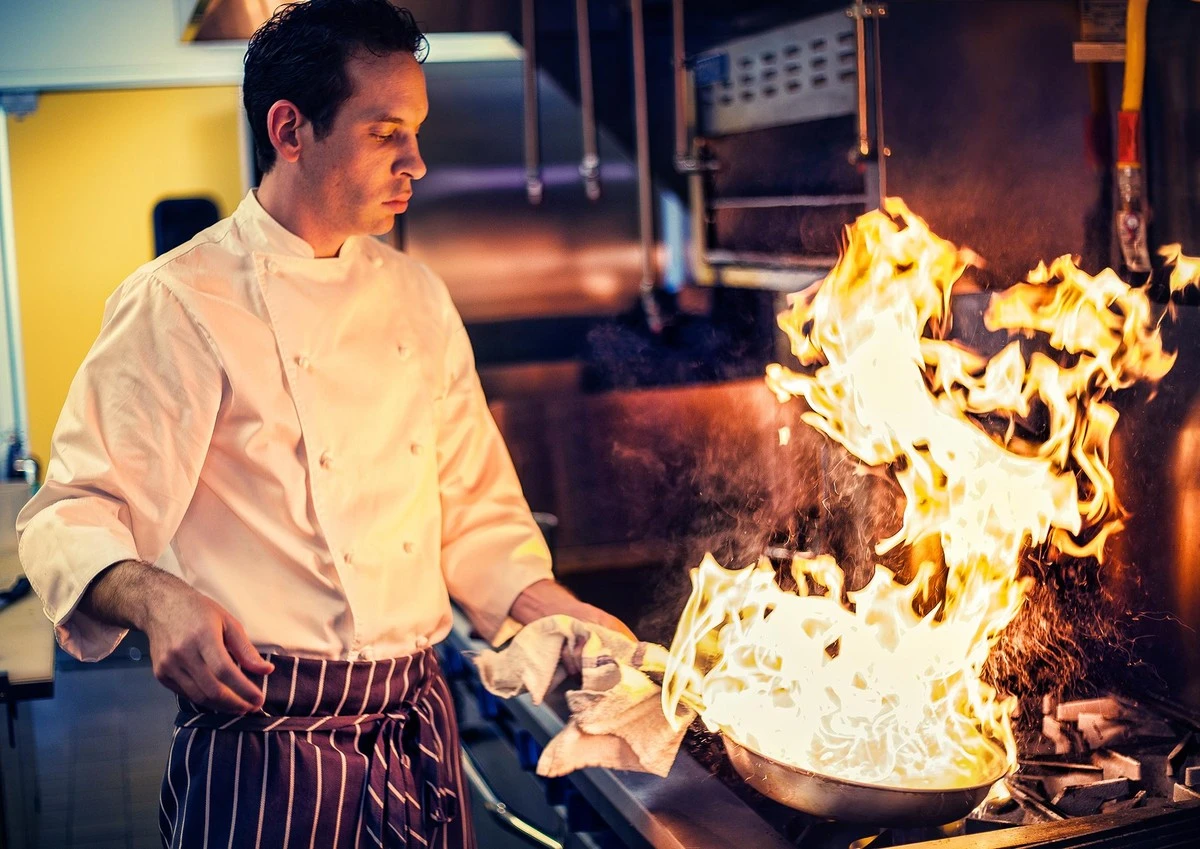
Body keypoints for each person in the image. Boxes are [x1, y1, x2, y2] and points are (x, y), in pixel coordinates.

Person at [15, 2, 631, 846]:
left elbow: (474, 512)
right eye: (386, 133)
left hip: (414, 719)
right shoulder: (179, 302)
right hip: (265, 735)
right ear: (290, 130)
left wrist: (557, 610)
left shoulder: (417, 295)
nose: (416, 161)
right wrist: (159, 601)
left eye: (416, 131)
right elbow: (70, 513)